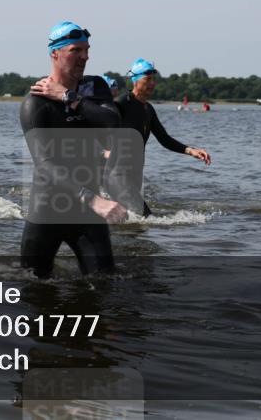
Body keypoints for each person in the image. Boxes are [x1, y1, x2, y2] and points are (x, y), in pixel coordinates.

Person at [19, 21, 127, 279]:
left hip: (87, 214)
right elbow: (44, 164)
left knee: (105, 286)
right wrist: (95, 200)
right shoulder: (35, 103)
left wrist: (69, 97)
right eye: (75, 50)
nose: (85, 57)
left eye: (87, 50)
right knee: (33, 290)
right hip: (48, 211)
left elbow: (112, 122)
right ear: (55, 53)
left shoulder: (95, 87)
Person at [115, 58, 211, 216]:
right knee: (145, 217)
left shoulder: (148, 109)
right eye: (148, 79)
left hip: (135, 174)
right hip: (117, 173)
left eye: (154, 79)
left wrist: (190, 150)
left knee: (131, 223)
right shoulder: (121, 104)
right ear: (135, 80)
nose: (152, 83)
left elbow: (164, 138)